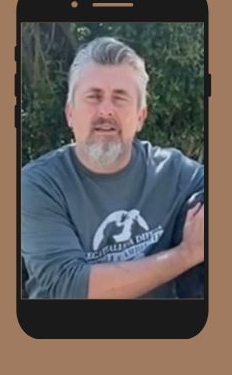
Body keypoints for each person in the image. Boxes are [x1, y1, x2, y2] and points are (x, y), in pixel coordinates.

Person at [21, 36, 205, 299]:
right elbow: (71, 287)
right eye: (93, 97)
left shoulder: (175, 173)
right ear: (70, 113)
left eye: (120, 98)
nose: (105, 110)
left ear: (140, 116)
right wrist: (186, 254)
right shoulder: (38, 185)